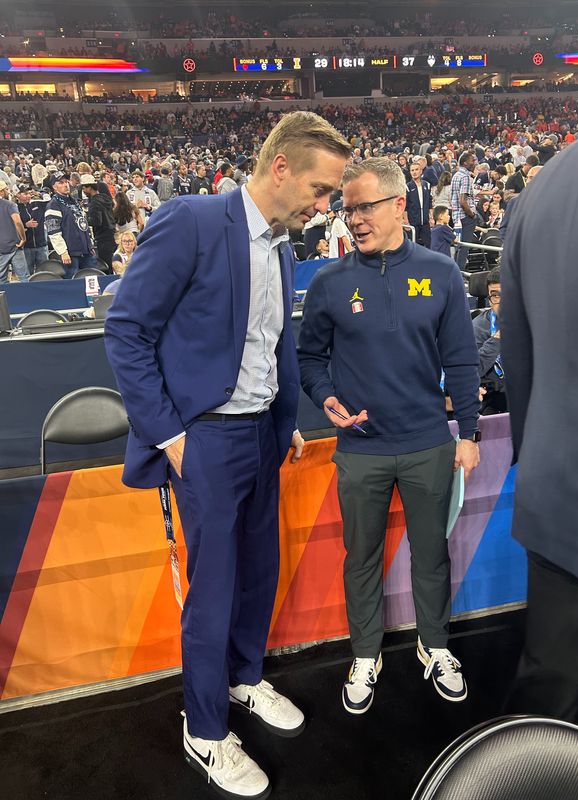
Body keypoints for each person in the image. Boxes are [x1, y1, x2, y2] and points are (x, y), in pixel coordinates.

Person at [104, 111, 352, 800]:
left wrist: (283, 416)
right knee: (212, 594)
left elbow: (266, 342)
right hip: (204, 441)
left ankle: (244, 679)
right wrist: (171, 435)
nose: (325, 206)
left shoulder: (281, 244)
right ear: (280, 169)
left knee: (255, 576)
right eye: (321, 189)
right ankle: (205, 732)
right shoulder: (189, 221)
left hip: (262, 437)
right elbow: (125, 330)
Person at [298, 158, 480, 715]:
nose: (352, 218)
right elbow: (309, 358)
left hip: (429, 443)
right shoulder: (330, 281)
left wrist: (468, 432)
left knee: (432, 554)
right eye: (347, 209)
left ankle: (435, 647)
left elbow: (462, 359)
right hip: (361, 451)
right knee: (362, 558)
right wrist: (327, 399)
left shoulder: (442, 273)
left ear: (400, 206)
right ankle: (365, 654)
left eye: (364, 207)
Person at [502, 124, 578, 723]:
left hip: (560, 493)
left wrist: (534, 453)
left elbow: (520, 360)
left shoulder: (548, 183)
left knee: (547, 709)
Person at [44, 171, 96, 279]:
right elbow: (53, 232)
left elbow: (83, 224)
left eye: (66, 181)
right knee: (73, 283)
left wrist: (89, 244)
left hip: (85, 250)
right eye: (61, 183)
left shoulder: (74, 201)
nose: (65, 185)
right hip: (70, 253)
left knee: (92, 282)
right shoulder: (53, 205)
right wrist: (63, 252)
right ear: (54, 186)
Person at [472, 267, 505, 414]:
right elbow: (473, 370)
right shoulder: (478, 327)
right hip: (495, 397)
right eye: (495, 295)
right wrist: (497, 339)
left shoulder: (535, 321)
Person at [12, 183, 49, 276]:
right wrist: (25, 225)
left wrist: (42, 191)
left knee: (44, 273)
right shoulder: (13, 208)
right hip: (26, 247)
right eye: (25, 193)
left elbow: (50, 200)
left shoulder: (37, 203)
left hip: (41, 245)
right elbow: (11, 227)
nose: (28, 195)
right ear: (17, 195)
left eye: (29, 193)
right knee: (28, 274)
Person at [81, 174, 117, 268]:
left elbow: (96, 221)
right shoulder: (105, 198)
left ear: (90, 188)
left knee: (107, 264)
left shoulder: (94, 202)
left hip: (103, 237)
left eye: (84, 188)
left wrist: (85, 220)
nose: (83, 191)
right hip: (111, 233)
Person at [450, 152, 477, 269]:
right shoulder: (465, 177)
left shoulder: (456, 175)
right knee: (464, 248)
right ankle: (459, 276)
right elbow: (463, 201)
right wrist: (472, 214)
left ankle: (455, 274)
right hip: (465, 218)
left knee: (459, 247)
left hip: (457, 217)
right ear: (465, 163)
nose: (474, 162)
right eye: (472, 160)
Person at [0, 180, 26, 283]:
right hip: (15, 246)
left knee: (1, 281)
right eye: (6, 189)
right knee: (23, 278)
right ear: (1, 192)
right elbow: (18, 223)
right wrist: (23, 238)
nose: (8, 191)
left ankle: (5, 299)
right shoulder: (10, 205)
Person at [404, 159, 433, 248]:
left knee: (429, 246)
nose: (414, 172)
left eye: (416, 170)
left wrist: (431, 218)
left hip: (425, 222)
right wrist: (406, 221)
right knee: (413, 247)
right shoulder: (407, 187)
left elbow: (429, 203)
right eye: (412, 170)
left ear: (421, 171)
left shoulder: (427, 185)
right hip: (413, 222)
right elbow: (404, 206)